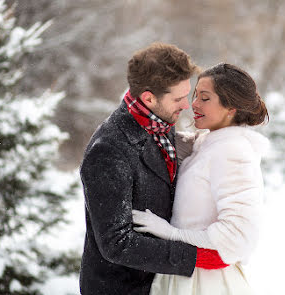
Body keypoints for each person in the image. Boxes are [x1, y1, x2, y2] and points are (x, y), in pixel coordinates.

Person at [79, 43, 228, 295]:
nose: (187, 105)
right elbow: (116, 244)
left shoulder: (158, 119)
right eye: (179, 98)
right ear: (148, 97)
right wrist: (194, 257)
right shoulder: (108, 150)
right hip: (120, 288)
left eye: (187, 94)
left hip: (159, 283)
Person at [133, 63, 270, 295]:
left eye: (204, 98)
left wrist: (171, 233)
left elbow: (238, 237)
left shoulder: (232, 151)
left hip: (205, 282)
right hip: (186, 273)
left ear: (231, 108)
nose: (193, 104)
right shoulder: (209, 143)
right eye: (195, 95)